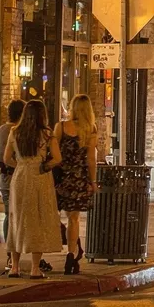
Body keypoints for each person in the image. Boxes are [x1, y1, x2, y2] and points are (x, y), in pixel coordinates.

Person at [2, 99, 64, 277]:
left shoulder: (15, 132)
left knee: (17, 219)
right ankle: (35, 268)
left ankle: (14, 266)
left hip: (20, 177)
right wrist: (44, 166)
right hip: (39, 178)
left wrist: (21, 165)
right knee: (38, 220)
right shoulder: (46, 134)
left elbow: (6, 158)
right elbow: (57, 158)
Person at [51, 94, 100, 274]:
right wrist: (93, 181)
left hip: (61, 178)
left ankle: (60, 249)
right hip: (79, 179)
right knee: (74, 218)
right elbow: (91, 159)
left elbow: (53, 153)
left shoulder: (61, 127)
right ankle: (71, 254)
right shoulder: (90, 129)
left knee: (54, 214)